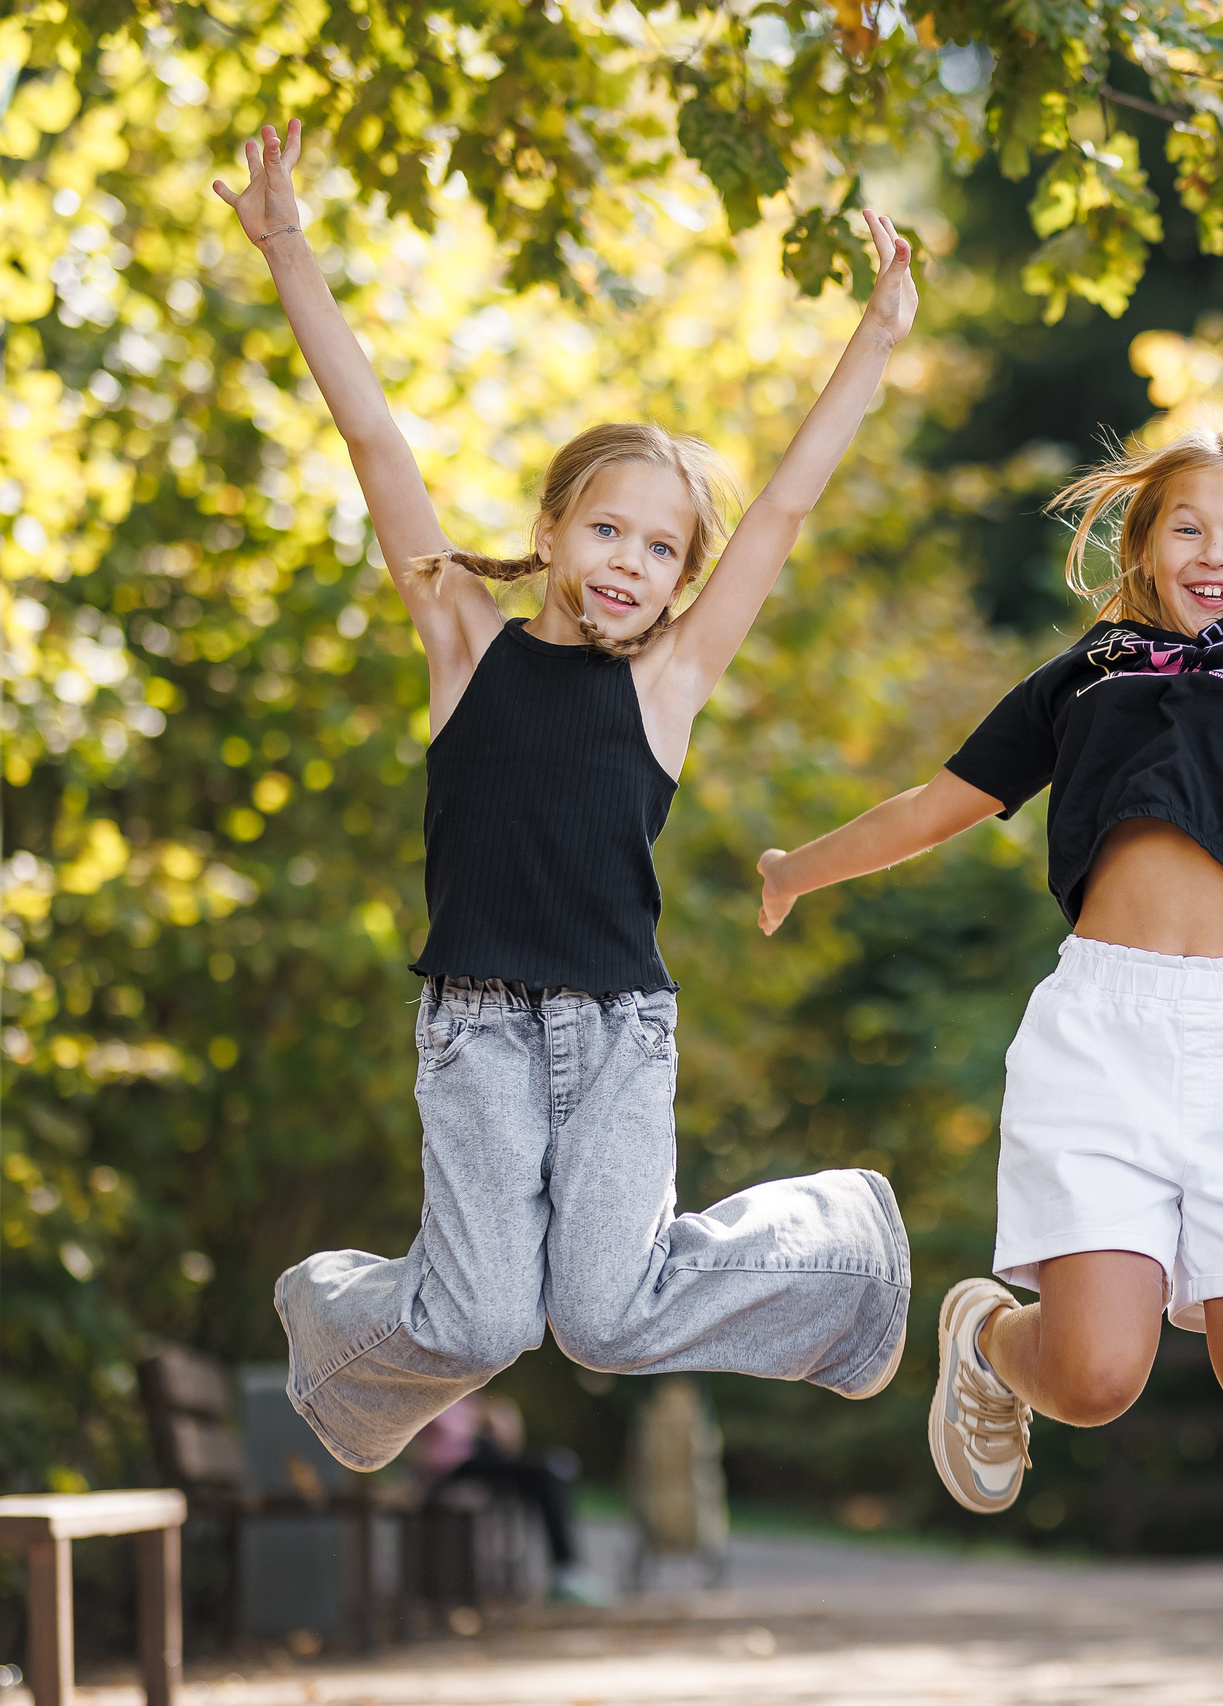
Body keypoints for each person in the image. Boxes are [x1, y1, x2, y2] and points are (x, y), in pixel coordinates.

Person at [216, 118, 917, 1474]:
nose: (628, 563)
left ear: (678, 581)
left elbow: (781, 509)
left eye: (659, 549)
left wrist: (877, 338)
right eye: (606, 529)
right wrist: (288, 246)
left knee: (601, 1318)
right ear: (549, 531)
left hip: (617, 1036)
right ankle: (333, 1308)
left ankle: (841, 1239)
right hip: (474, 1032)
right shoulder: (463, 643)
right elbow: (373, 439)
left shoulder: (670, 681)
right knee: (481, 1318)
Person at [755, 298, 1223, 1512]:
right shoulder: (1085, 674)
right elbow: (935, 804)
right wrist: (799, 868)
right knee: (1093, 1377)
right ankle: (985, 1337)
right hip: (1102, 1032)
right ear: (1145, 546)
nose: (1217, 551)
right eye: (1188, 527)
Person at [408, 1394, 609, 1606]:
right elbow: (441, 1435)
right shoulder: (429, 1394)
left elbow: (503, 1438)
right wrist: (478, 1420)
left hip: (475, 1455)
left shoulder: (464, 1395)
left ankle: (566, 1568)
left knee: (550, 1473)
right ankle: (565, 1569)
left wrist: (495, 1422)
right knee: (544, 1474)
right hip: (452, 1468)